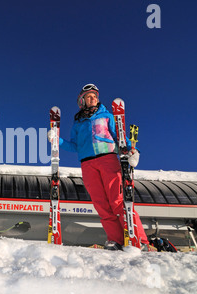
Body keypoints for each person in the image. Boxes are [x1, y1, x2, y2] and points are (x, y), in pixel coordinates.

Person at [57, 83, 149, 250]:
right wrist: (58, 140)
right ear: (82, 100)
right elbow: (75, 146)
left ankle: (139, 238)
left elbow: (119, 136)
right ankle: (115, 239)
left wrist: (132, 150)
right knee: (101, 204)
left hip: (108, 159)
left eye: (95, 97)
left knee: (117, 201)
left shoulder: (107, 116)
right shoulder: (78, 123)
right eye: (89, 97)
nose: (92, 99)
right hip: (87, 164)